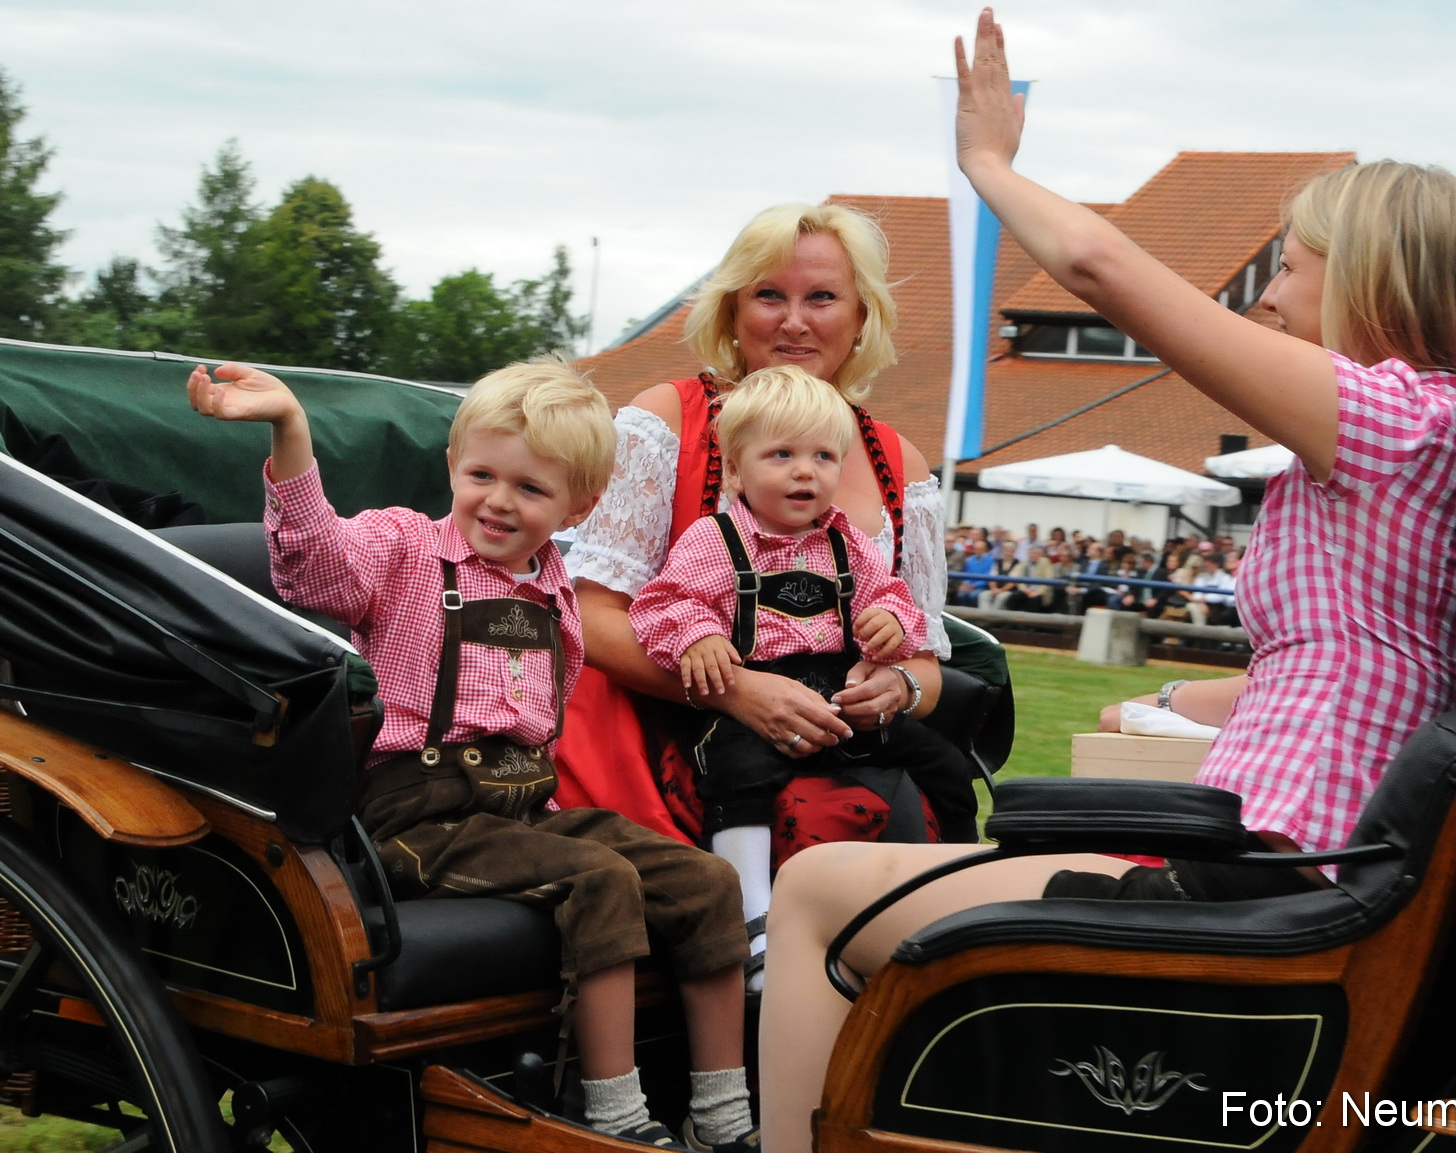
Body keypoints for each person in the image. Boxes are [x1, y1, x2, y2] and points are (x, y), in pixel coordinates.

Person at [756, 13, 1456, 1151]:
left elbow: (1100, 268)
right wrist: (1173, 702)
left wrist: (985, 164)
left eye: (1291, 269)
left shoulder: (1385, 422)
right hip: (1315, 874)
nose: (1265, 298)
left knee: (821, 889)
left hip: (1259, 886)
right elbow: (1365, 662)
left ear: (1364, 281)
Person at [186, 357, 756, 1151]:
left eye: (531, 489)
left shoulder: (554, 588)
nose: (499, 500)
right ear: (453, 465)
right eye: (482, 473)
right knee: (602, 880)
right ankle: (615, 1114)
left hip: (520, 804)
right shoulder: (402, 549)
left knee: (706, 881)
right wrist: (291, 431)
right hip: (414, 811)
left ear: (578, 506)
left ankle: (723, 1114)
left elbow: (543, 725)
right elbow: (311, 559)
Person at [557, 202, 955, 865]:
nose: (794, 320)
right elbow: (590, 615)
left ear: (860, 318)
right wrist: (736, 690)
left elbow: (926, 661)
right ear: (733, 313)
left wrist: (898, 688)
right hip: (656, 747)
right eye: (769, 294)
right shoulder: (669, 419)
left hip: (844, 751)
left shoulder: (899, 461)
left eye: (822, 297)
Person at [628, 367, 978, 988]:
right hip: (752, 698)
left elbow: (898, 598)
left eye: (822, 457)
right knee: (739, 773)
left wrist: (890, 624)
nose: (804, 471)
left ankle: (961, 881)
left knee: (946, 764)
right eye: (781, 455)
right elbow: (660, 605)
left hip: (841, 696)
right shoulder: (715, 542)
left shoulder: (846, 544)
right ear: (735, 471)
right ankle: (753, 917)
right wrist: (699, 636)